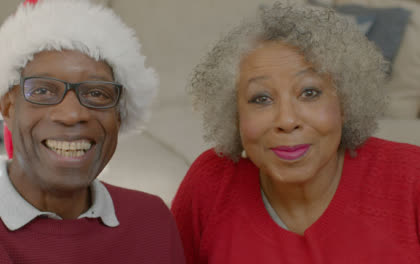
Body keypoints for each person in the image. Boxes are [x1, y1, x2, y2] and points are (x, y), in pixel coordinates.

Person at [172, 3, 420, 263]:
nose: (287, 120)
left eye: (309, 93)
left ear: (344, 103)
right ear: (235, 116)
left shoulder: (411, 177)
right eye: (261, 98)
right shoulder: (209, 185)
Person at [0, 0, 185, 263]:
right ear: (6, 106)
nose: (72, 114)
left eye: (97, 93)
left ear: (119, 115)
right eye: (43, 91)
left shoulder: (150, 221)